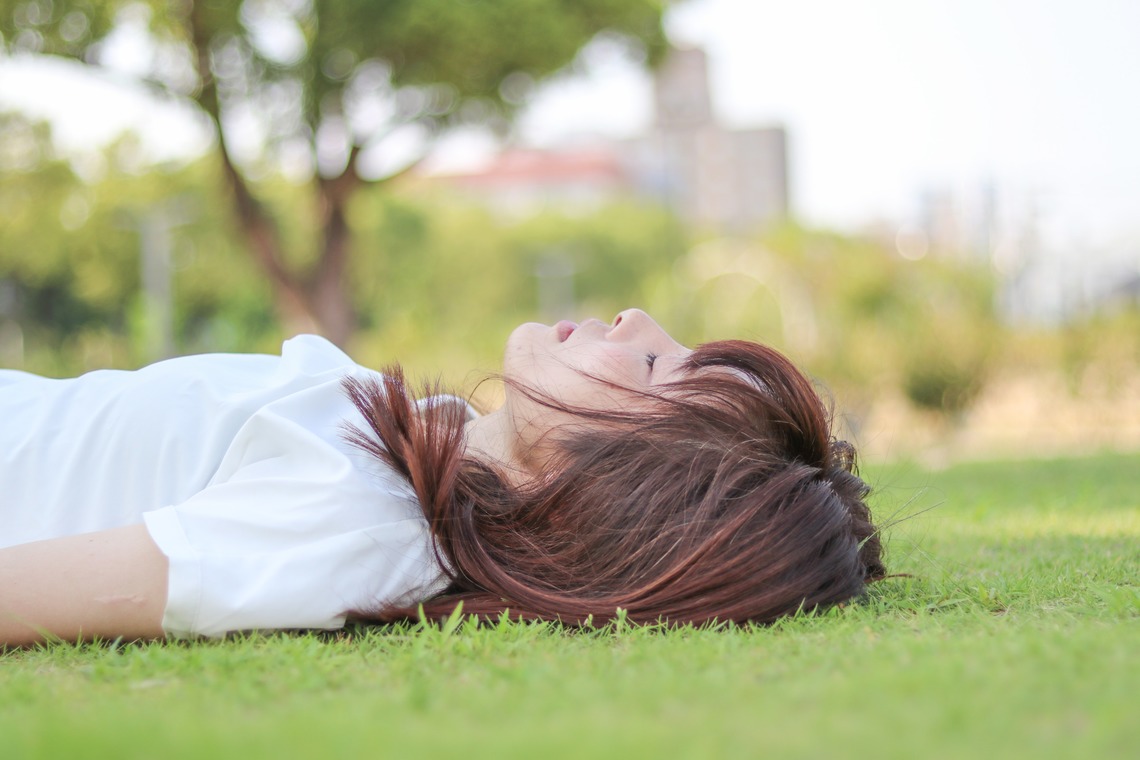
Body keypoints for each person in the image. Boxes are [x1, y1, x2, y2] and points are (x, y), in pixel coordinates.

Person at [0, 309, 884, 646]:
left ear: (627, 488)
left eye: (655, 366)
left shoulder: (361, 523)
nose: (636, 317)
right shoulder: (424, 448)